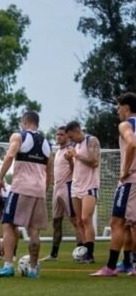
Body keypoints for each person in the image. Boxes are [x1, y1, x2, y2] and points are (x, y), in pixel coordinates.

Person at [0, 111, 51, 278]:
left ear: (24, 122)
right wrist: (43, 191)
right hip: (39, 191)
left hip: (21, 188)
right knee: (34, 231)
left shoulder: (19, 136)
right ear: (37, 123)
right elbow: (49, 173)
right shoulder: (47, 143)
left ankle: (8, 266)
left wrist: (0, 177)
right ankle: (33, 270)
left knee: (8, 224)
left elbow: (10, 155)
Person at [91, 92, 136, 276]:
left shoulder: (126, 125)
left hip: (130, 180)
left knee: (117, 222)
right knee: (129, 223)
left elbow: (132, 143)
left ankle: (110, 267)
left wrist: (125, 169)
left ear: (126, 108)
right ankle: (127, 263)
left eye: (119, 107)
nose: (118, 111)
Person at [41, 125, 82, 262]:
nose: (59, 136)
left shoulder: (71, 150)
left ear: (67, 136)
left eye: (62, 134)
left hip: (67, 187)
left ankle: (81, 251)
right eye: (57, 134)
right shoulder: (58, 151)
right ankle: (53, 254)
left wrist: (70, 160)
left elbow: (75, 169)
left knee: (75, 221)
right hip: (56, 188)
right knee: (56, 222)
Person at [66, 120, 100, 264]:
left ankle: (90, 254)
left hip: (89, 185)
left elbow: (94, 162)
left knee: (86, 218)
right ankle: (85, 251)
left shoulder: (91, 140)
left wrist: (76, 155)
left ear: (77, 131)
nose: (70, 140)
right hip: (76, 186)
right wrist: (69, 159)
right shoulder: (75, 146)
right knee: (79, 220)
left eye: (71, 136)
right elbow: (74, 168)